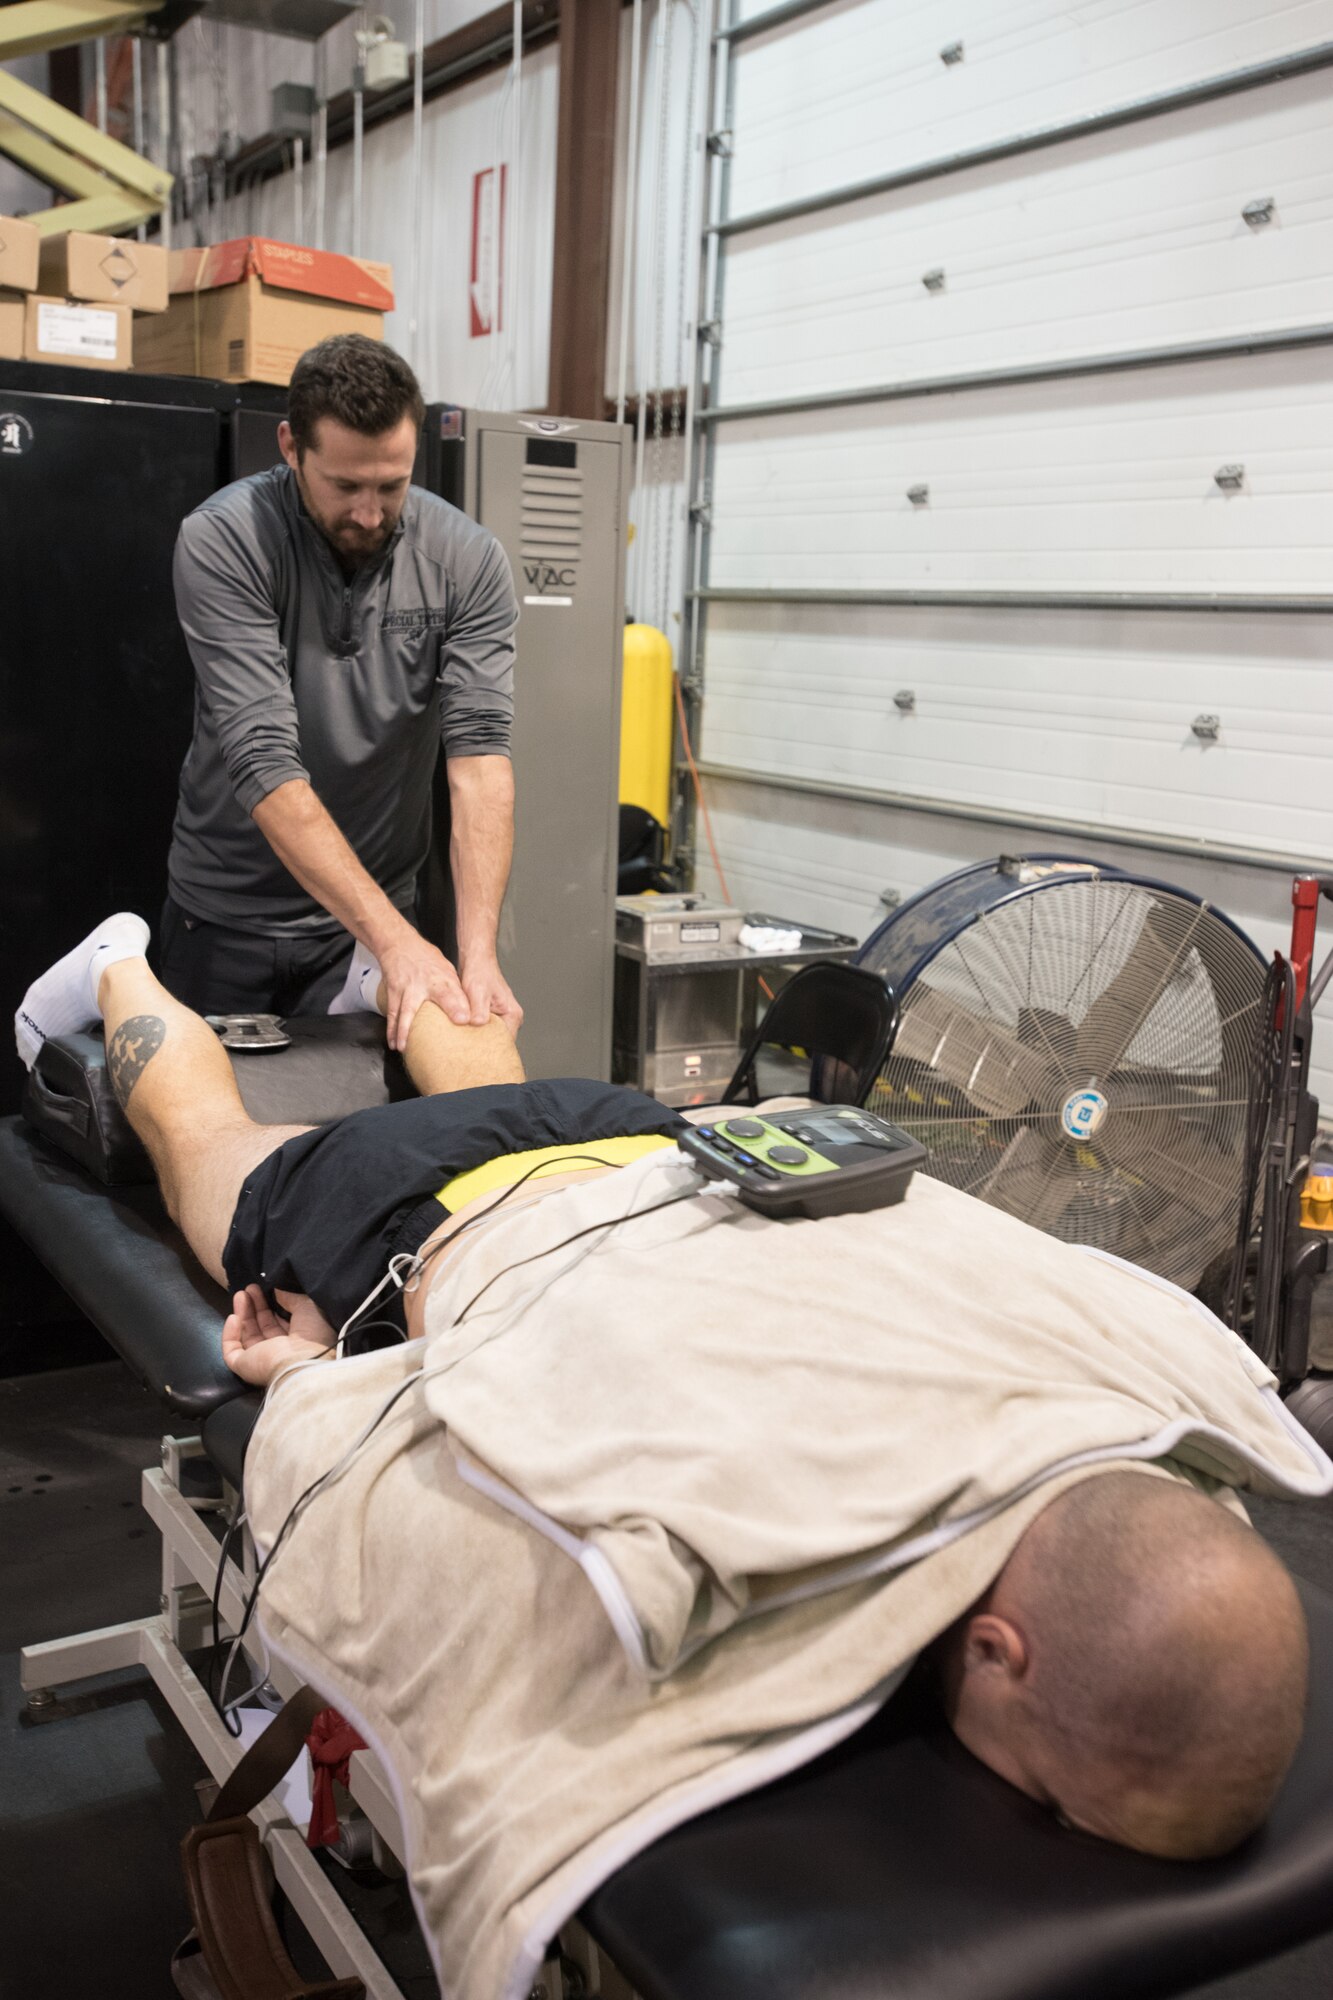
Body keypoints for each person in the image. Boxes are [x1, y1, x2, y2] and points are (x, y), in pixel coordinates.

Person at [12, 919, 1312, 1866]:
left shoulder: (1076, 1375)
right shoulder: (724, 1534)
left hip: (686, 1152)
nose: (1038, 1819)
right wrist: (306, 1378)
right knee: (211, 1151)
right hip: (433, 1206)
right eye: (1053, 1801)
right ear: (995, 1652)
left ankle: (392, 979)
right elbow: (360, 1491)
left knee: (507, 1089)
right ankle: (114, 963)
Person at [164, 332, 521, 1054]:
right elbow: (265, 761)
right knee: (207, 1141)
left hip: (375, 921)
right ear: (291, 447)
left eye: (391, 486)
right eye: (346, 487)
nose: (368, 512)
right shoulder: (225, 540)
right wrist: (396, 940)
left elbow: (480, 764)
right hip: (229, 921)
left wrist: (475, 953)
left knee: (373, 1143)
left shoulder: (467, 559)